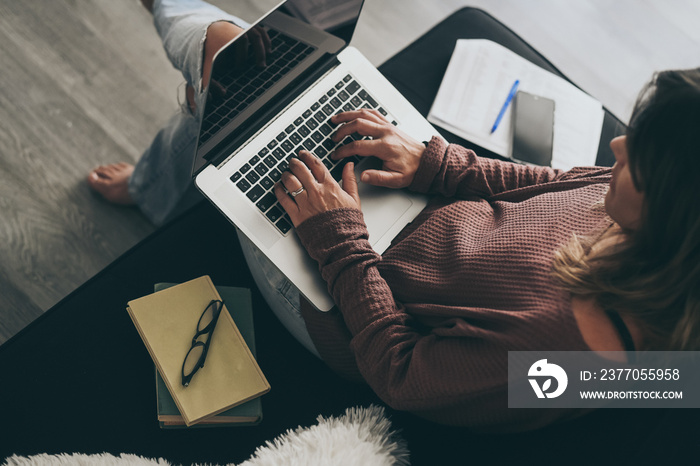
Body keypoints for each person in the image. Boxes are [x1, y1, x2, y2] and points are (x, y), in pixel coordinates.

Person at [88, 0, 700, 431]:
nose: (616, 149)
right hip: (410, 215)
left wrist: (338, 241)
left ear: (672, 220)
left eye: (636, 163)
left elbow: (400, 374)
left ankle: (161, 154)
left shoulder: (566, 359)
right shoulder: (646, 224)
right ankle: (186, 89)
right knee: (247, 78)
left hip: (343, 303)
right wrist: (434, 162)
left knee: (230, 71)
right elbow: (548, 184)